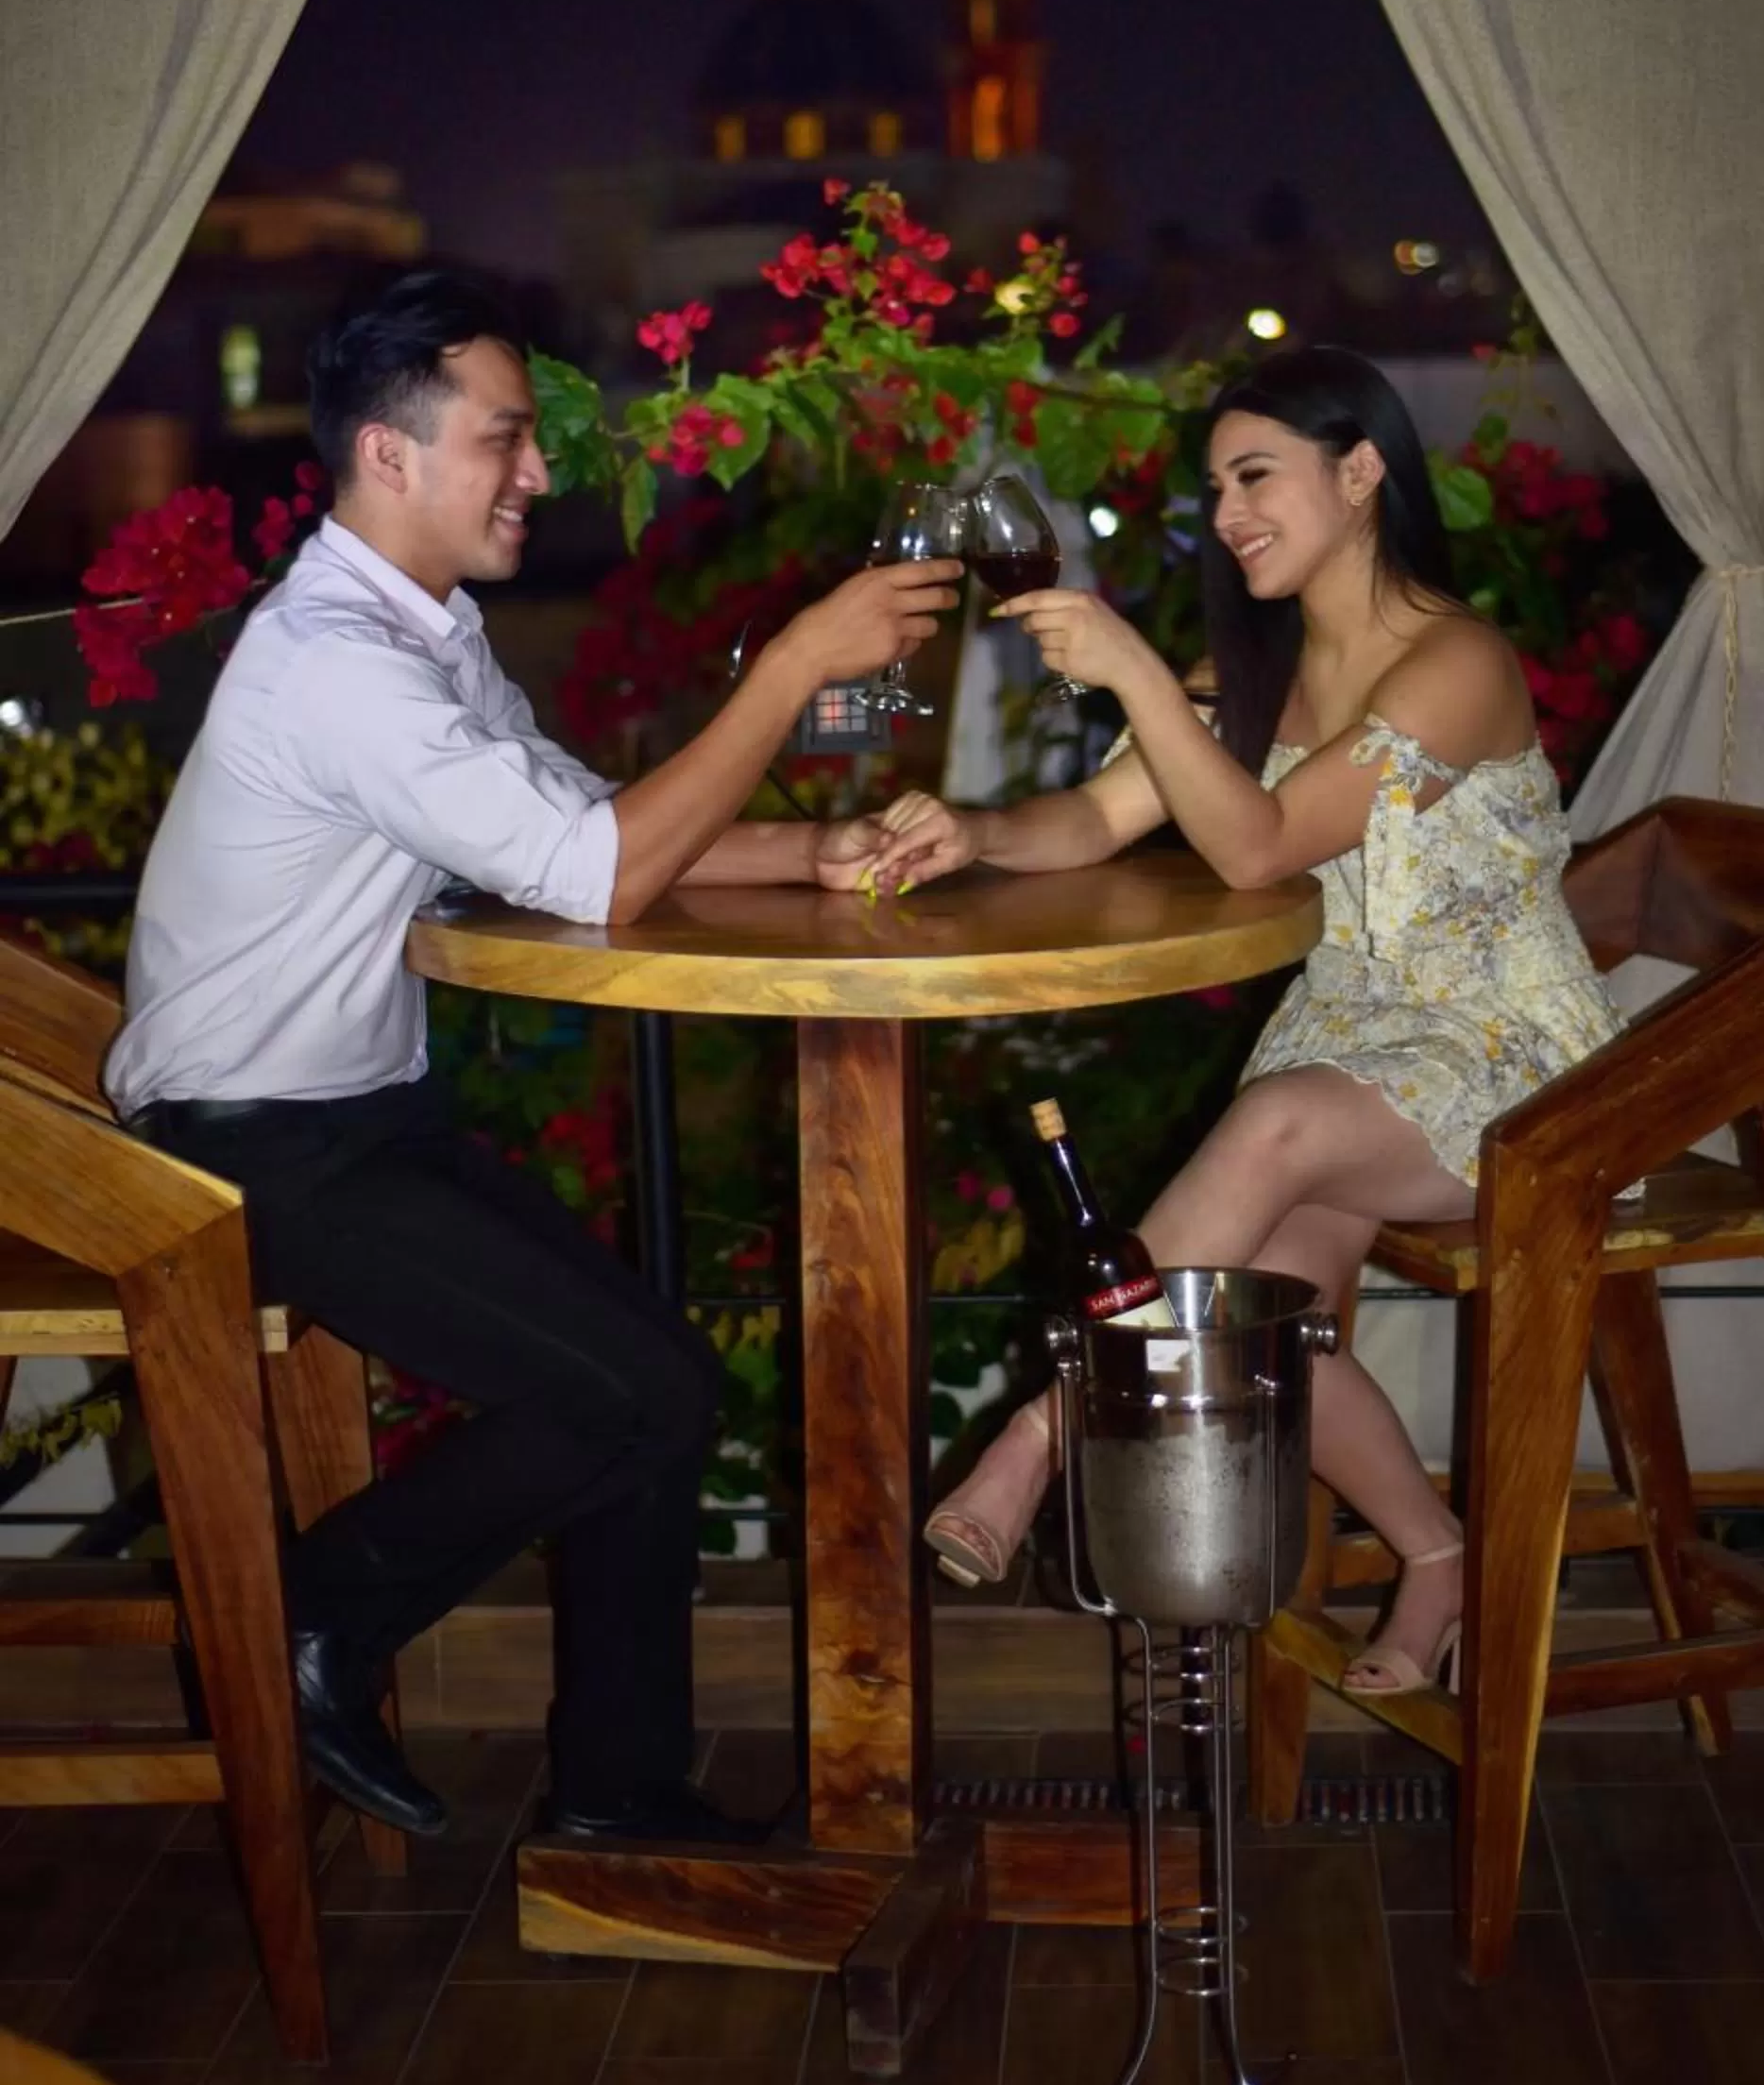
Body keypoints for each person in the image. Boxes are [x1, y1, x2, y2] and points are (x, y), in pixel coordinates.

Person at [104, 272, 958, 1839]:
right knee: (636, 1390)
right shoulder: (334, 665)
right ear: (389, 456)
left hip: (363, 1116)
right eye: (507, 440)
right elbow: (607, 877)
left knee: (658, 1386)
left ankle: (618, 1793)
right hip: (240, 1146)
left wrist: (814, 853)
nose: (543, 473)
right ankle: (310, 1616)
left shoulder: (420, 632)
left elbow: (585, 834)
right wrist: (788, 671)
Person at [871, 346, 1627, 1696]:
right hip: (1352, 1047)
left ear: (1359, 472)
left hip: (1515, 1058)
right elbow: (1098, 818)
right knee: (1250, 1317)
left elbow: (1258, 847)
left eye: (1254, 475)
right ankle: (1434, 1553)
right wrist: (968, 831)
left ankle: (1037, 1439)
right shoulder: (1253, 670)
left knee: (1272, 1125)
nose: (1226, 513)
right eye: (1216, 485)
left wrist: (1138, 678)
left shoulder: (1454, 663)